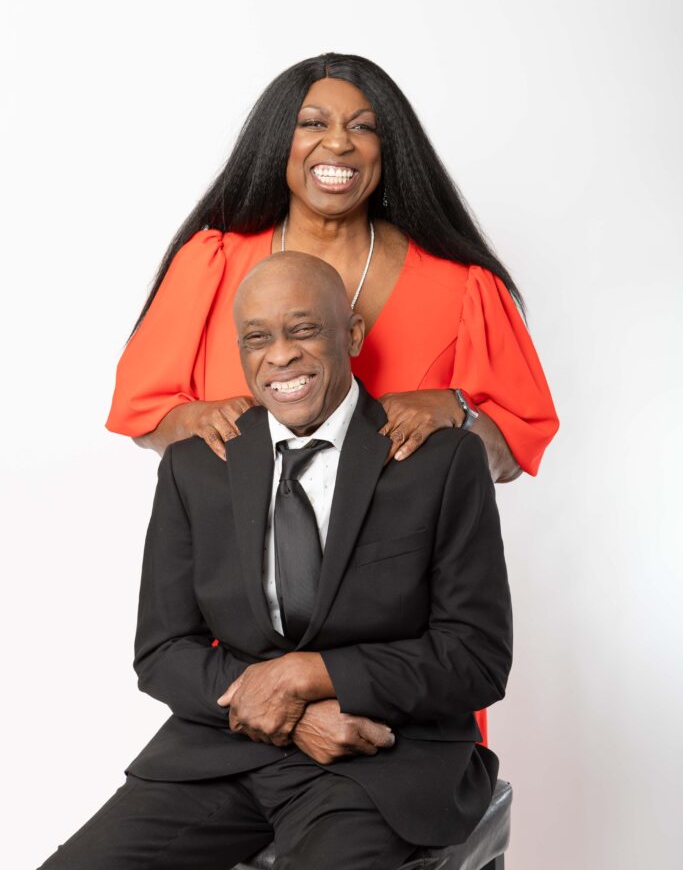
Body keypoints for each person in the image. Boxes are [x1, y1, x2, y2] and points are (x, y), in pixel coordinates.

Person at [106, 52, 556, 743]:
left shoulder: (463, 287)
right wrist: (194, 417)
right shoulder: (214, 262)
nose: (337, 142)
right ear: (276, 141)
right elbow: (146, 416)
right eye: (311, 121)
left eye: (363, 126)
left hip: (397, 660)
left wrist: (458, 411)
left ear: (388, 148)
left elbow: (505, 454)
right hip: (246, 663)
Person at [41, 253, 513, 870]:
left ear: (352, 334)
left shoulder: (441, 461)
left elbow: (475, 658)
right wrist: (292, 718)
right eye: (258, 338)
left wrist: (311, 674)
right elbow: (163, 652)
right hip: (220, 756)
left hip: (380, 761)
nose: (280, 355)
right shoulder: (196, 468)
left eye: (305, 329)